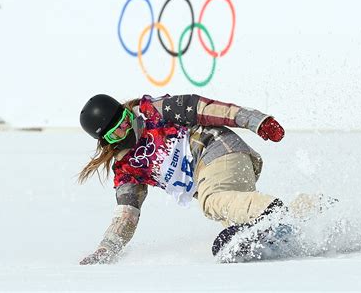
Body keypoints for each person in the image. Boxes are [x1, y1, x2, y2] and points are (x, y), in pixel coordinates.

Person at [78, 93, 292, 265]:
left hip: (217, 148)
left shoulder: (152, 111)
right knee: (236, 217)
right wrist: (105, 250)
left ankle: (272, 210)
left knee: (212, 202)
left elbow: (204, 108)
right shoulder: (127, 168)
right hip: (215, 174)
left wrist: (256, 121)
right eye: (116, 133)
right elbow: (126, 216)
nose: (127, 128)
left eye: (125, 119)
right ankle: (304, 215)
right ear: (106, 141)